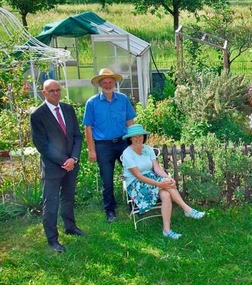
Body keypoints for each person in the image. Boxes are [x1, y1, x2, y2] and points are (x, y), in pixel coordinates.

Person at [121, 124, 205, 240]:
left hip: (151, 177)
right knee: (165, 185)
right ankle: (187, 209)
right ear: (130, 138)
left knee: (166, 192)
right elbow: (139, 176)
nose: (138, 139)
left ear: (144, 137)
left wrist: (168, 178)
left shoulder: (147, 149)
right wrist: (159, 184)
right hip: (136, 184)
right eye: (135, 137)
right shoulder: (127, 154)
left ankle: (167, 230)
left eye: (140, 136)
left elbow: (157, 169)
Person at [30, 79, 83, 253]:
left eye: (58, 90)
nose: (55, 93)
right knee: (51, 204)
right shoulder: (37, 115)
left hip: (71, 164)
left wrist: (73, 158)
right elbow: (42, 145)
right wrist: (63, 161)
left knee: (68, 198)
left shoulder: (68, 109)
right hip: (53, 168)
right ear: (44, 93)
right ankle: (53, 240)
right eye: (51, 91)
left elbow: (77, 136)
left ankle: (70, 227)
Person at [83, 68, 136, 222]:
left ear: (114, 83)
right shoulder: (92, 103)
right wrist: (91, 150)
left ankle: (135, 204)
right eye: (104, 82)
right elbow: (88, 127)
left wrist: (134, 143)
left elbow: (130, 121)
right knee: (107, 179)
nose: (107, 85)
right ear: (100, 84)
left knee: (133, 173)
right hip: (103, 146)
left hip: (123, 143)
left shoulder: (123, 99)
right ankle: (110, 210)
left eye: (110, 82)